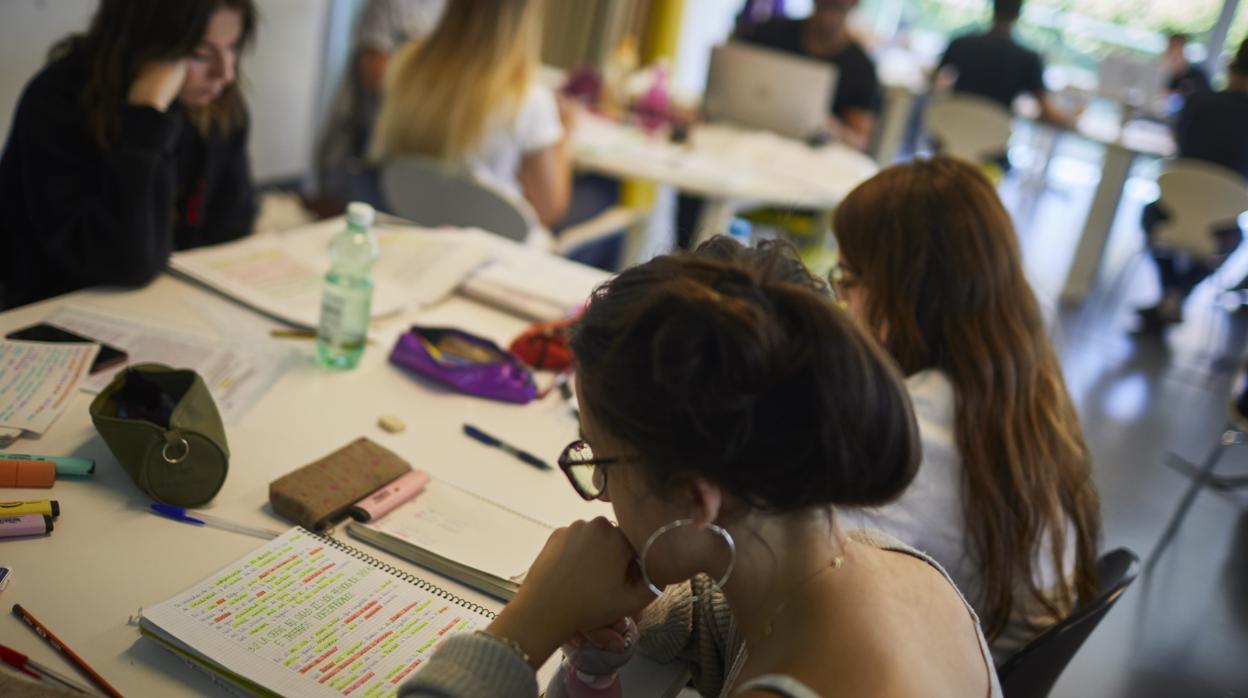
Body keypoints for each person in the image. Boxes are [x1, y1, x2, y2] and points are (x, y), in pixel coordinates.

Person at [399, 240, 1003, 697]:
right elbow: (723, 620)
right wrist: (619, 627)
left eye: (601, 462)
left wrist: (525, 628)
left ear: (696, 497)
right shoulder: (884, 563)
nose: (599, 496)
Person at [832, 157, 1102, 664]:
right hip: (979, 661)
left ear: (901, 292)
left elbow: (810, 564)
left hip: (939, 668)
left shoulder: (922, 424)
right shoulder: (1013, 380)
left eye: (847, 278)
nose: (842, 301)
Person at [0, 0, 258, 310]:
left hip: (162, 303)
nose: (225, 73)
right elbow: (126, 264)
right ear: (146, 46)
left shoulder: (217, 107)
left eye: (232, 47)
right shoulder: (57, 100)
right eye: (200, 53)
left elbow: (232, 229)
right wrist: (147, 118)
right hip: (52, 306)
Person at [369, 0, 573, 228]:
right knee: (601, 192)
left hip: (412, 227)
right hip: (495, 248)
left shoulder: (408, 65)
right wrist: (566, 130)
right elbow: (550, 209)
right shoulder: (529, 97)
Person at [1138, 36, 1248, 329]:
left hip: (1170, 212)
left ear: (1230, 66)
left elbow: (1176, 145)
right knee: (1234, 238)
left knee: (1149, 215)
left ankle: (1168, 292)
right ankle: (1180, 292)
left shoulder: (1196, 101)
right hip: (1221, 227)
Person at [315, 0, 446, 205]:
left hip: (414, 160)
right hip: (365, 151)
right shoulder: (389, 6)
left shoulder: (449, 9)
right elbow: (374, 76)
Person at [737, 0, 880, 151]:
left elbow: (860, 140)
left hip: (812, 154)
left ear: (854, 4)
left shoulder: (862, 68)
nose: (827, 15)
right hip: (750, 137)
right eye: (824, 5)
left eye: (837, 7)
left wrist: (833, 128)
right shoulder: (769, 32)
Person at [936, 0, 1070, 127]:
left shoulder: (961, 43)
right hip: (992, 139)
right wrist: (1070, 118)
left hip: (950, 131)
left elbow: (933, 80)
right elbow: (1046, 112)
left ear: (993, 8)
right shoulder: (1028, 59)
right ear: (1018, 14)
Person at [1163, 33, 1211, 100]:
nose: (1172, 54)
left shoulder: (1198, 76)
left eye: (1176, 49)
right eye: (1171, 49)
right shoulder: (1171, 76)